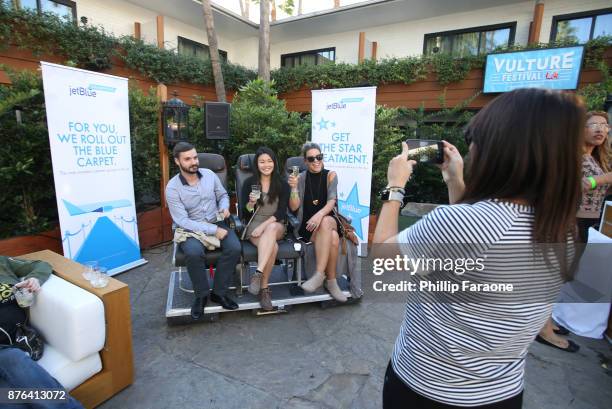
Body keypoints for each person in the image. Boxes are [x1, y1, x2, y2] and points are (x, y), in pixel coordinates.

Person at [374, 88, 583, 408]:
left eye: (477, 139)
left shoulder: (463, 222)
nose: (471, 150)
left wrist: (395, 187)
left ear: (501, 150)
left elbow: (381, 259)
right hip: (501, 392)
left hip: (428, 389)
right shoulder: (562, 229)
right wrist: (455, 181)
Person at [538, 111, 611, 351]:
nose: (600, 129)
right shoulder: (571, 157)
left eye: (604, 125)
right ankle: (543, 329)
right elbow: (574, 186)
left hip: (584, 222)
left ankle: (544, 321)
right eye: (593, 125)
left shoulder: (599, 159)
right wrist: (601, 180)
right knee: (552, 275)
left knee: (562, 275)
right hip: (567, 220)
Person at [165, 142, 240, 319]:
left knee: (235, 248)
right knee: (193, 252)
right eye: (188, 159)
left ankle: (219, 293)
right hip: (191, 229)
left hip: (217, 220)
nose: (194, 162)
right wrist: (213, 230)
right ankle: (201, 295)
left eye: (195, 157)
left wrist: (224, 207)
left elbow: (222, 195)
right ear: (177, 161)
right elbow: (182, 220)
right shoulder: (172, 188)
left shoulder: (209, 175)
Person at [0, 256, 84, 409]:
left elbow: (42, 264)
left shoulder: (2, 263)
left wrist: (35, 279)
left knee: (11, 397)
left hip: (14, 344)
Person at [288, 142, 346, 302]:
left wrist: (319, 215)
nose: (316, 161)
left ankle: (319, 275)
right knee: (333, 238)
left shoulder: (330, 175)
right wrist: (293, 189)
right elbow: (294, 207)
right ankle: (332, 282)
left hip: (328, 219)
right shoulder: (299, 178)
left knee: (326, 222)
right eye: (311, 158)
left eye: (319, 157)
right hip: (308, 227)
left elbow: (332, 202)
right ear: (305, 161)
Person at [241, 147, 289, 311]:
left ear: (274, 163)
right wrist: (251, 204)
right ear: (257, 164)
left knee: (271, 228)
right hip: (254, 224)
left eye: (269, 161)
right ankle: (264, 289)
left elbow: (282, 211)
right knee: (273, 247)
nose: (266, 165)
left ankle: (258, 272)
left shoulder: (282, 183)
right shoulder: (249, 183)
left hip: (276, 224)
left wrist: (264, 226)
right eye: (262, 161)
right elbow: (245, 212)